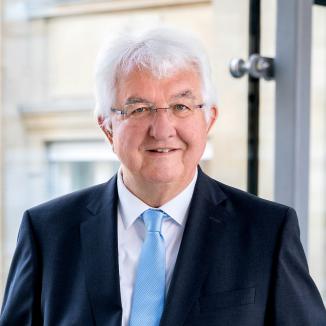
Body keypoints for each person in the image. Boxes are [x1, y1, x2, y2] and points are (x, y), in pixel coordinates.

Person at [1, 27, 325, 326]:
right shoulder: (47, 232)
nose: (162, 130)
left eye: (181, 106)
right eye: (139, 109)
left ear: (209, 119)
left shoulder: (267, 232)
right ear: (107, 127)